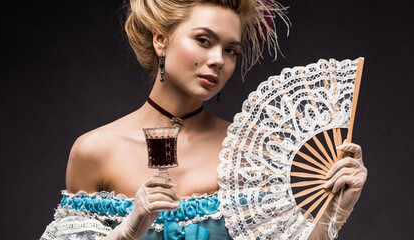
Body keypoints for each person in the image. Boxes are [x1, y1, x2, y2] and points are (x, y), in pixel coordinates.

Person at [40, 0, 368, 239]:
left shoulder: (248, 149)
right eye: (204, 40)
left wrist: (336, 210)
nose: (217, 60)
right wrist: (127, 230)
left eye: (231, 50)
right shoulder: (94, 151)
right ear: (161, 39)